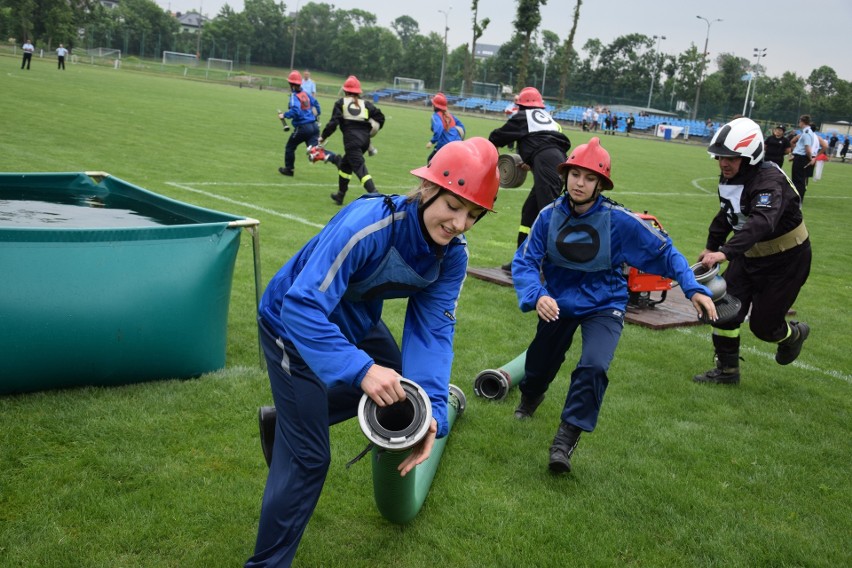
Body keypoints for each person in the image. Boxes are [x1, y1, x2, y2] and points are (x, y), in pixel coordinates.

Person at [246, 138, 500, 567]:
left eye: (473, 215)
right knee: (309, 460)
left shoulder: (450, 257)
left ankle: (289, 420)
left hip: (357, 319)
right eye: (454, 206)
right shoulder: (369, 223)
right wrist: (360, 368)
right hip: (291, 322)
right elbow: (302, 305)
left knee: (404, 387)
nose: (460, 223)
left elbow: (433, 332)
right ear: (428, 189)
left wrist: (434, 413)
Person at [510, 137, 717, 474]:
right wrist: (537, 295)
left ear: (600, 184)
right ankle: (531, 396)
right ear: (566, 176)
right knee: (539, 363)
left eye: (589, 178)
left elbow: (665, 252)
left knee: (593, 367)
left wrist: (692, 287)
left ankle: (565, 440)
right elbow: (525, 262)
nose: (580, 182)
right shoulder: (548, 216)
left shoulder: (618, 220)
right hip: (558, 301)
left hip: (605, 303)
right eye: (575, 174)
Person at [693, 117, 811, 386]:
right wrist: (712, 245)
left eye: (731, 158)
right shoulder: (730, 177)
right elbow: (727, 213)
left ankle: (792, 336)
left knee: (764, 326)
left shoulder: (769, 180)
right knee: (722, 309)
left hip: (787, 260)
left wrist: (724, 252)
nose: (724, 163)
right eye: (721, 157)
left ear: (750, 156)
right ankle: (727, 371)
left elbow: (762, 221)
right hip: (749, 256)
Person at [487, 86, 571, 271]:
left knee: (548, 216)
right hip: (554, 162)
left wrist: (490, 155)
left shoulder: (523, 117)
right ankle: (522, 260)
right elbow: (548, 143)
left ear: (522, 106)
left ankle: (557, 266)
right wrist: (532, 162)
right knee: (529, 212)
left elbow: (497, 136)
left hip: (547, 164)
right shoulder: (548, 119)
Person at [319, 76, 385, 206]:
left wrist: (323, 136)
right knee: (345, 166)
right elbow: (380, 117)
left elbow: (334, 123)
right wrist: (372, 129)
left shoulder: (340, 103)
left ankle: (375, 196)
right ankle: (340, 195)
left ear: (345, 91)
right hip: (365, 141)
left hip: (351, 141)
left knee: (360, 169)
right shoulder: (365, 104)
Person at [278, 70, 321, 177]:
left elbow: (296, 111)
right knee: (314, 151)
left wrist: (285, 115)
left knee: (290, 147)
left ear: (291, 84)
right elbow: (316, 105)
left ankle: (289, 170)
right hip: (314, 127)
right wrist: (315, 116)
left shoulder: (294, 96)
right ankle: (333, 158)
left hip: (303, 128)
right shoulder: (305, 94)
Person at [425, 92, 465, 162]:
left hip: (444, 147)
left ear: (434, 106)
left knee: (430, 161)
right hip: (457, 146)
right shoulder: (450, 115)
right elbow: (461, 126)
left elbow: (439, 128)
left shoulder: (436, 116)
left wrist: (431, 141)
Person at [790, 114, 816, 202]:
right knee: (798, 179)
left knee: (798, 180)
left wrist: (810, 158)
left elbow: (807, 148)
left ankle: (798, 199)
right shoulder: (807, 132)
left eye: (799, 122)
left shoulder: (807, 133)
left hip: (801, 158)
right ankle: (796, 198)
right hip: (800, 157)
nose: (799, 123)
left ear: (802, 122)